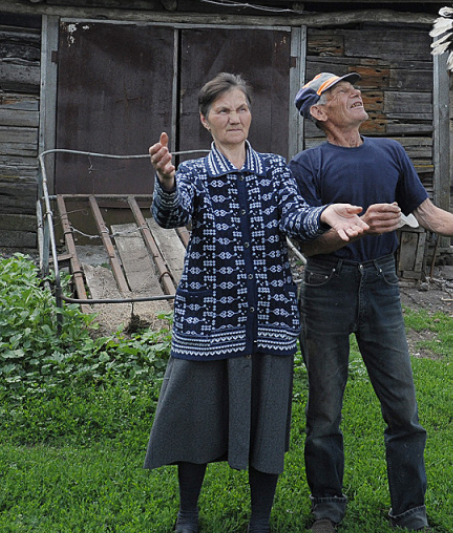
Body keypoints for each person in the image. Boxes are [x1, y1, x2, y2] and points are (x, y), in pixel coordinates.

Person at [144, 72, 368, 533]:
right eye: (223, 110)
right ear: (206, 121)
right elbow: (172, 216)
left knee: (268, 416)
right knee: (195, 415)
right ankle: (188, 514)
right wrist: (165, 181)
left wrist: (325, 212)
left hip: (270, 313)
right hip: (209, 313)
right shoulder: (192, 173)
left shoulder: (274, 168)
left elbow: (295, 215)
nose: (234, 117)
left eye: (241, 108)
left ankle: (260, 520)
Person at [290, 71, 453, 532]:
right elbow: (307, 245)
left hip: (382, 286)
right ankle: (327, 506)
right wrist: (352, 228)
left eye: (353, 87)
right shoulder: (307, 164)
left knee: (403, 407)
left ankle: (410, 510)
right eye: (341, 91)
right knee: (325, 409)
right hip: (327, 286)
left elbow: (425, 213)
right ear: (320, 112)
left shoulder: (390, 152)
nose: (355, 92)